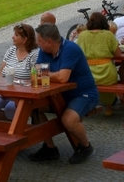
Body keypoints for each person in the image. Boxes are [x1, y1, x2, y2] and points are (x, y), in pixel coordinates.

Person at [29, 23, 98, 165]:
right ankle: (50, 148)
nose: (37, 43)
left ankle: (85, 146)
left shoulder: (70, 49)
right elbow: (35, 75)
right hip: (59, 95)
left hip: (83, 94)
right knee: (33, 108)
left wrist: (45, 74)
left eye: (40, 41)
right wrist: (47, 75)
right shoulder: (44, 51)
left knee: (68, 120)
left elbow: (62, 77)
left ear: (49, 42)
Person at [0, 23, 39, 120]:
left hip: (23, 93)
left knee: (10, 109)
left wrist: (13, 92)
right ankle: (9, 126)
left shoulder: (34, 54)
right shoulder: (11, 50)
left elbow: (34, 79)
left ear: (25, 39)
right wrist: (2, 89)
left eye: (16, 35)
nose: (12, 37)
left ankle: (16, 127)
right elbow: (1, 72)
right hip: (6, 90)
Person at [76, 12, 121, 116]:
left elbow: (78, 53)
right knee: (112, 79)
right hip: (107, 73)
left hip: (88, 73)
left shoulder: (83, 35)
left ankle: (89, 105)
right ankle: (109, 106)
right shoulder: (108, 35)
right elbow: (118, 54)